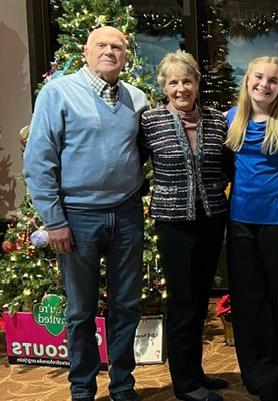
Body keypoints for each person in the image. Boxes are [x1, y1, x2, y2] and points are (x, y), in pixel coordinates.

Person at [24, 26, 148, 401]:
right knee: (80, 311)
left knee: (126, 306)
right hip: (77, 218)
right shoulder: (58, 93)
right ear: (86, 51)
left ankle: (123, 386)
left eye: (118, 47)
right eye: (102, 45)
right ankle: (82, 389)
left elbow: (141, 150)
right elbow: (39, 159)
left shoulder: (137, 98)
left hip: (126, 214)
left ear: (125, 56)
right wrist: (54, 220)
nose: (110, 51)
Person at [138, 51, 231, 401]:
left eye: (187, 80)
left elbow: (227, 164)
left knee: (201, 297)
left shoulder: (217, 120)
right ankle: (186, 383)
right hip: (173, 222)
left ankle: (197, 372)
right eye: (173, 82)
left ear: (197, 83)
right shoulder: (150, 122)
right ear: (164, 86)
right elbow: (133, 165)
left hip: (211, 219)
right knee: (182, 301)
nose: (181, 88)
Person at [225, 56, 278, 401]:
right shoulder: (231, 119)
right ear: (247, 80)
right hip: (241, 221)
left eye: (273, 80)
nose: (264, 84)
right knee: (248, 301)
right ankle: (256, 372)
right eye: (258, 77)